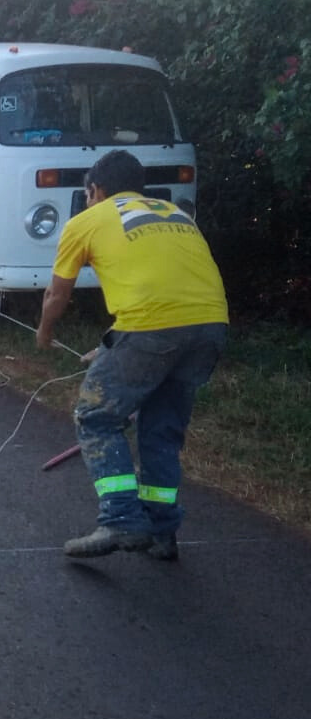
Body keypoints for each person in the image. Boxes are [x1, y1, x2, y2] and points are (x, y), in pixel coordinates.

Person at [36, 149, 228, 561]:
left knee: (96, 417)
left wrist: (45, 332)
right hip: (210, 326)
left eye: (88, 195)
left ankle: (121, 519)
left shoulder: (87, 220)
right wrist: (113, 345)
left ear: (96, 189)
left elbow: (57, 294)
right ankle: (162, 532)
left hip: (150, 329)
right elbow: (161, 286)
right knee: (160, 431)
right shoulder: (175, 214)